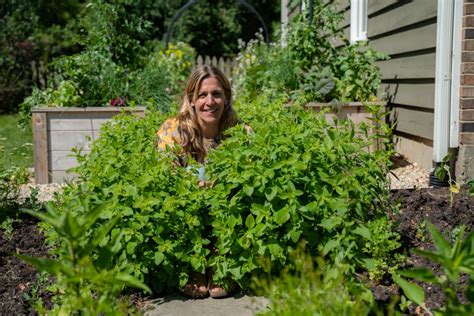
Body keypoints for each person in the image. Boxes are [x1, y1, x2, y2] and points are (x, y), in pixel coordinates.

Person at [155, 65, 242, 298]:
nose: (209, 102)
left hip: (223, 216)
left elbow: (245, 179)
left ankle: (220, 261)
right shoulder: (172, 130)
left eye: (216, 94)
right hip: (187, 213)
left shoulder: (240, 132)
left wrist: (218, 187)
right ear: (191, 99)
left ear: (226, 98)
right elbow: (166, 174)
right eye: (202, 95)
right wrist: (193, 186)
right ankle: (192, 264)